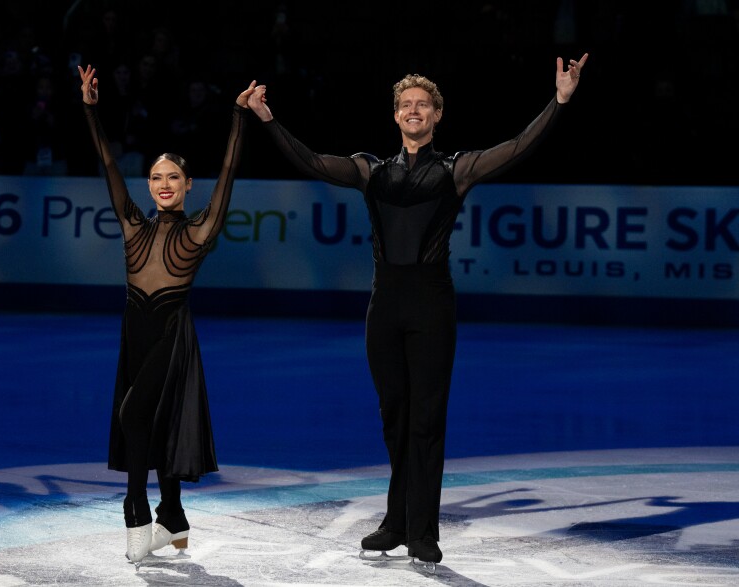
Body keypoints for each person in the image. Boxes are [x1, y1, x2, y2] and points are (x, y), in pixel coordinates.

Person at [246, 52, 589, 568]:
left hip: (431, 305)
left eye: (423, 104)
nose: (413, 111)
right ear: (395, 115)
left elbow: (518, 147)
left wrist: (559, 101)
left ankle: (422, 530)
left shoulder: (457, 170)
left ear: (437, 115)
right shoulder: (371, 171)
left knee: (426, 421)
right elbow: (312, 162)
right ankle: (396, 521)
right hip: (384, 306)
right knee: (394, 418)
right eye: (405, 104)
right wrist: (267, 118)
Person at [79, 64, 260, 568]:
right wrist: (91, 109)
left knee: (134, 414)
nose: (163, 184)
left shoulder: (199, 231)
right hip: (133, 333)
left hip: (171, 335)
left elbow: (228, 173)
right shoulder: (134, 225)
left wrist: (238, 116)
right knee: (153, 426)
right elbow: (108, 164)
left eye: (172, 177)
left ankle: (135, 508)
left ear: (187, 185)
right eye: (156, 177)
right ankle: (174, 516)